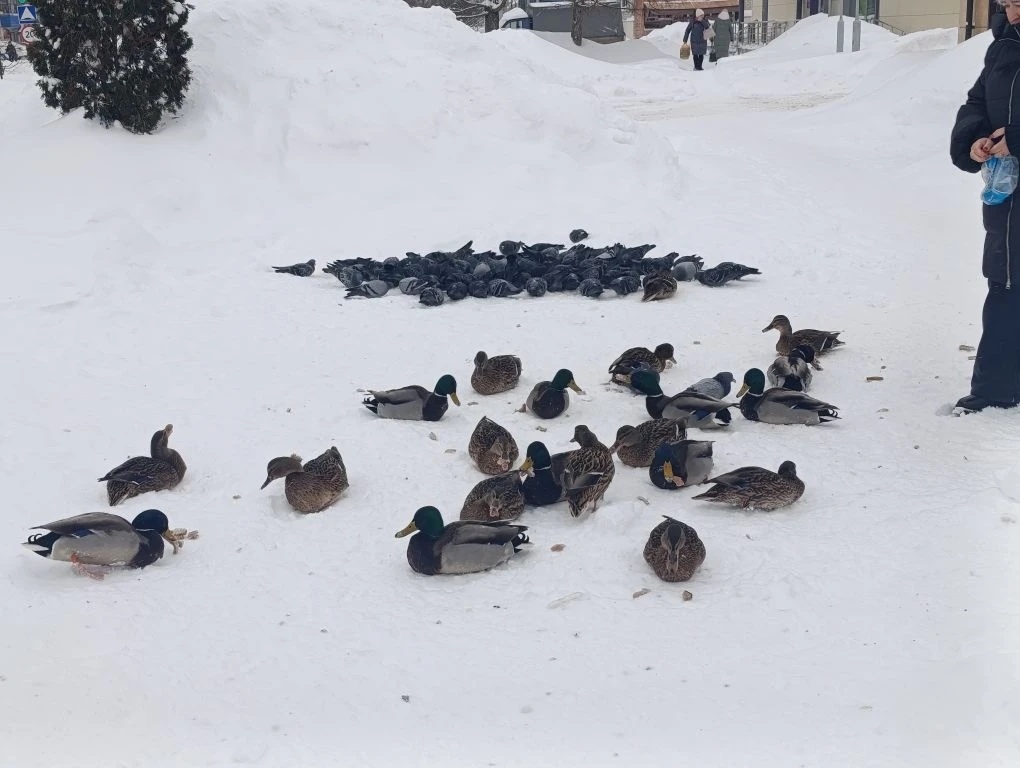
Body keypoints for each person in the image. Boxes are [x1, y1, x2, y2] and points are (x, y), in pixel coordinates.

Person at [950, 3, 1020, 413]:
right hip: (1008, 200)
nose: (1014, 10)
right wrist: (975, 138)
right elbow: (977, 102)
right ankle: (996, 390)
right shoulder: (1003, 46)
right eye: (1009, 0)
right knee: (1006, 283)